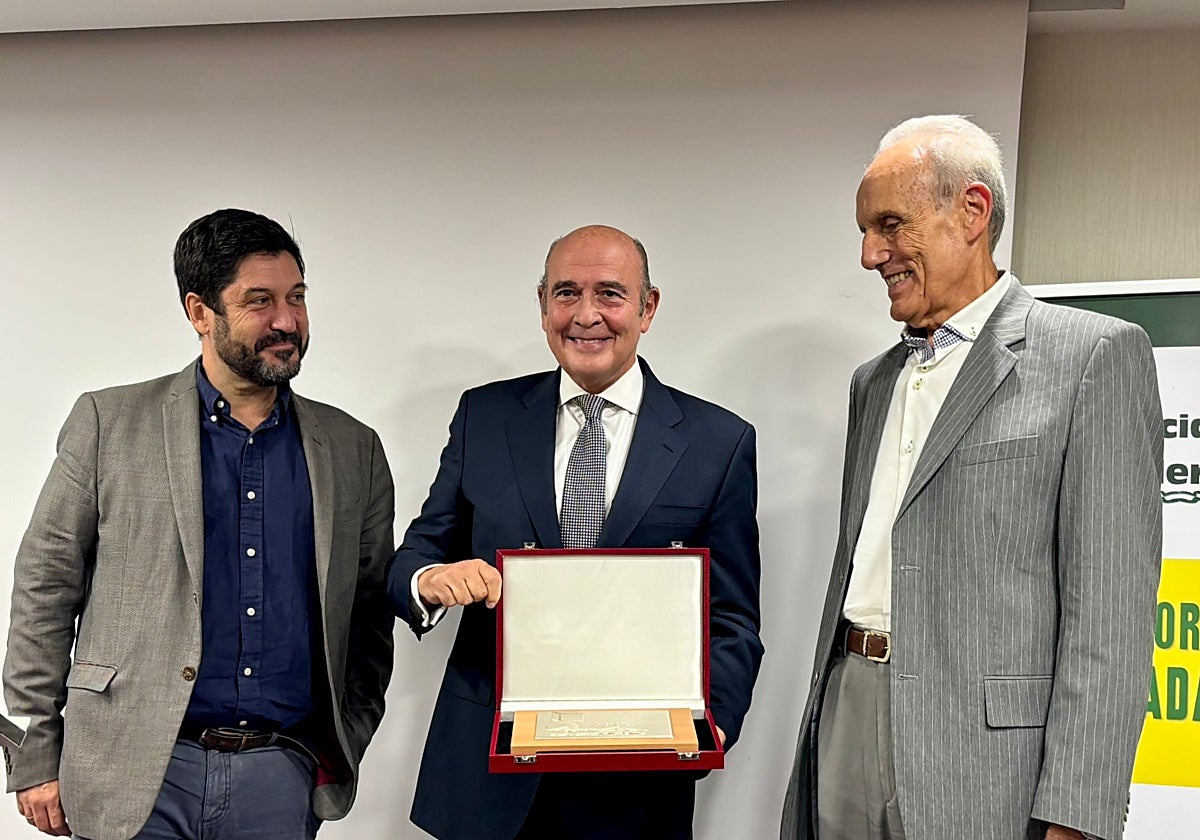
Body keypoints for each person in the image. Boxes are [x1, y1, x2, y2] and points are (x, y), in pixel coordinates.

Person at [780, 115, 1163, 840]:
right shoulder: (874, 381)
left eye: (890, 225)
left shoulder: (1093, 356)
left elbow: (1110, 619)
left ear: (972, 211)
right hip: (846, 711)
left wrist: (1076, 815)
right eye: (865, 231)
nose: (870, 255)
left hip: (988, 761)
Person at [3, 208, 396, 840]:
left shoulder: (353, 449)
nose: (286, 322)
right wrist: (34, 752)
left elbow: (371, 612)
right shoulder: (109, 423)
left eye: (296, 298)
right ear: (199, 312)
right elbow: (45, 589)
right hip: (130, 771)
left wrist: (344, 735)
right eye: (259, 302)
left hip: (279, 773)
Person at [388, 224, 763, 840]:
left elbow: (732, 617)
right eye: (566, 293)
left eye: (610, 294)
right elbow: (416, 557)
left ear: (648, 308)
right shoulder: (485, 416)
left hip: (638, 781)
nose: (586, 315)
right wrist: (432, 580)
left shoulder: (718, 442)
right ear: (542, 307)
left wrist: (709, 724)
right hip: (487, 779)